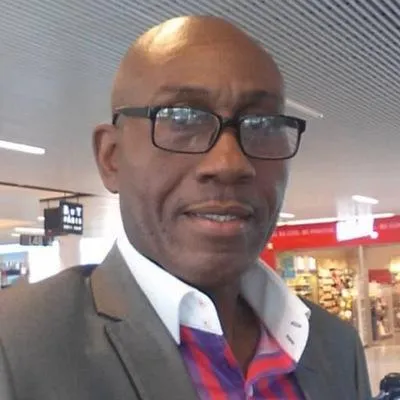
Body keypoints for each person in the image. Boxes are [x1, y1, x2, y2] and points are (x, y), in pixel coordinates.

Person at [0, 16, 372, 400]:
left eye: (261, 124)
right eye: (182, 118)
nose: (229, 163)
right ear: (111, 157)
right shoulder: (16, 348)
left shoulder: (336, 347)